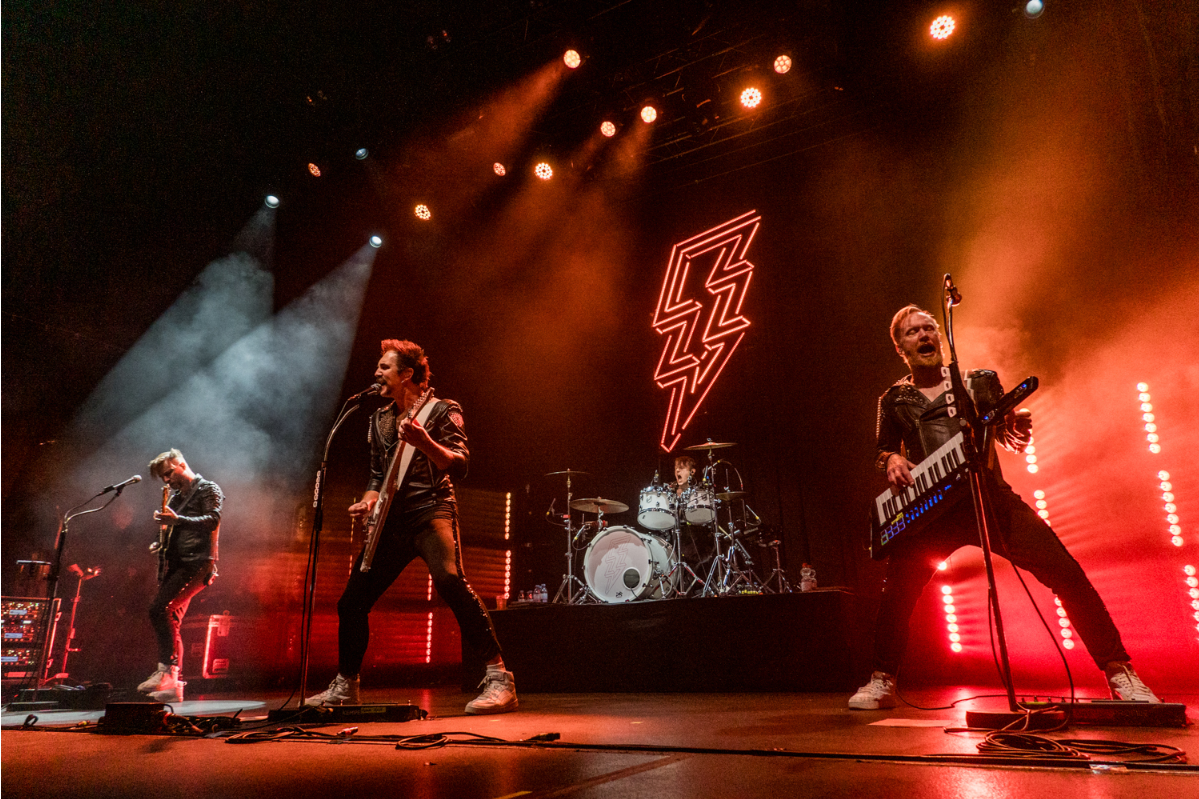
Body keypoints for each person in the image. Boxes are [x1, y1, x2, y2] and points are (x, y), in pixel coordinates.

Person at [849, 305, 1159, 710]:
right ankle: (882, 680)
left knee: (1067, 574)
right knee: (897, 596)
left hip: (989, 497)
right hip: (930, 509)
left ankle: (1121, 673)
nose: (924, 336)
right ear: (900, 348)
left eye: (929, 329)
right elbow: (882, 451)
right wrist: (890, 460)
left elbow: (1007, 431)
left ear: (940, 339)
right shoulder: (892, 399)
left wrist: (1015, 429)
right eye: (913, 332)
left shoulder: (976, 383)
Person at [306, 339, 517, 715]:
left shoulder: (442, 409)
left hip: (431, 509)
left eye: (384, 367)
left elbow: (461, 464)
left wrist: (426, 442)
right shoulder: (379, 418)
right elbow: (377, 475)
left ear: (407, 374)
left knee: (451, 580)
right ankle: (346, 686)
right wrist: (367, 501)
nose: (376, 373)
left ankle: (500, 678)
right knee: (352, 601)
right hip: (392, 520)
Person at [138, 448, 222, 703]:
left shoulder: (208, 488)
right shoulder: (175, 497)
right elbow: (169, 526)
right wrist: (158, 540)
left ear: (180, 464)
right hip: (177, 563)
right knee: (170, 617)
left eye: (168, 473)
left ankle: (167, 671)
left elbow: (213, 519)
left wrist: (179, 520)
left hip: (198, 562)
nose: (166, 480)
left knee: (159, 609)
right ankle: (174, 685)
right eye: (163, 477)